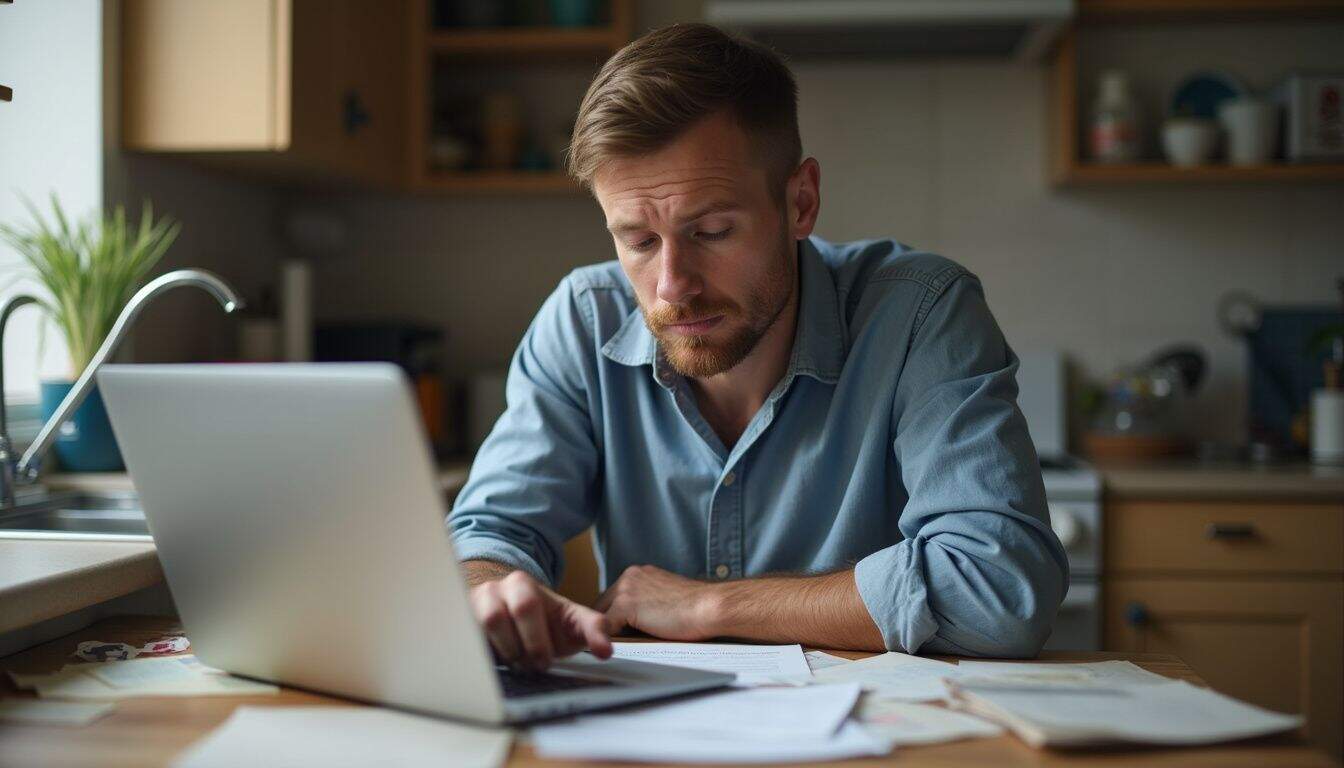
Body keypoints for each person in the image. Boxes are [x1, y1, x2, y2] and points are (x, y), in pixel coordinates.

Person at [449, 23, 1067, 671]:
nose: (672, 287)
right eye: (638, 240)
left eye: (711, 231)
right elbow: (488, 535)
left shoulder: (921, 313)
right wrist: (488, 594)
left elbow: (1001, 588)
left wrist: (712, 606)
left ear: (800, 203)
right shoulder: (582, 320)